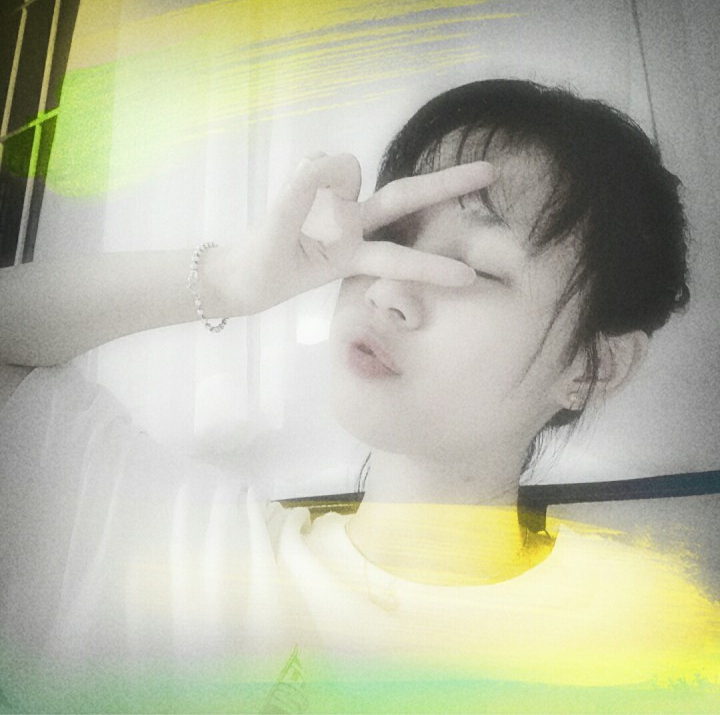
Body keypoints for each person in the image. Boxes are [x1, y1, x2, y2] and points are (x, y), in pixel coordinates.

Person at [0, 80, 718, 714]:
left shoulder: (659, 648)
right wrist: (228, 280)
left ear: (593, 367)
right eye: (391, 241)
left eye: (475, 268)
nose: (389, 289)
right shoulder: (184, 561)